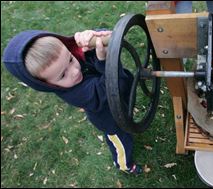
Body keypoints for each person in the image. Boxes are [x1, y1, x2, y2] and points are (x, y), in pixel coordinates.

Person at [2, 29, 143, 175]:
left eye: (70, 59)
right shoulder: (75, 94)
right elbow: (111, 86)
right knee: (122, 142)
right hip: (111, 120)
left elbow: (106, 41)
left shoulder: (72, 67)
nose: (75, 71)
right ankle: (124, 165)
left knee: (127, 117)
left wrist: (94, 37)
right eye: (63, 75)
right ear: (47, 84)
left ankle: (128, 121)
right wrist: (104, 61)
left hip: (120, 104)